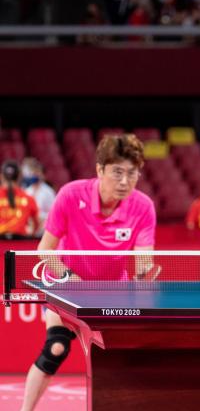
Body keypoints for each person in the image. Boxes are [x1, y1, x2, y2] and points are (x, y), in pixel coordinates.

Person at [21, 134, 157, 411]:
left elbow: (144, 257)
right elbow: (45, 250)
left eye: (132, 174)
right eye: (117, 172)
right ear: (99, 170)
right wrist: (71, 279)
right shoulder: (71, 195)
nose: (124, 181)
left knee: (122, 361)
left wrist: (143, 275)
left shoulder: (143, 206)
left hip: (112, 295)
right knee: (55, 349)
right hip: (67, 287)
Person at [0, 160, 39, 238]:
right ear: (19, 177)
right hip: (20, 246)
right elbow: (36, 225)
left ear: (1, 176)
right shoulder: (29, 198)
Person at [20, 157, 56, 235]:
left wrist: (41, 218)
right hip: (30, 225)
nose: (35, 176)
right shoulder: (27, 191)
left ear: (42, 175)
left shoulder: (48, 192)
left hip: (44, 226)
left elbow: (53, 214)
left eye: (37, 173)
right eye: (33, 173)